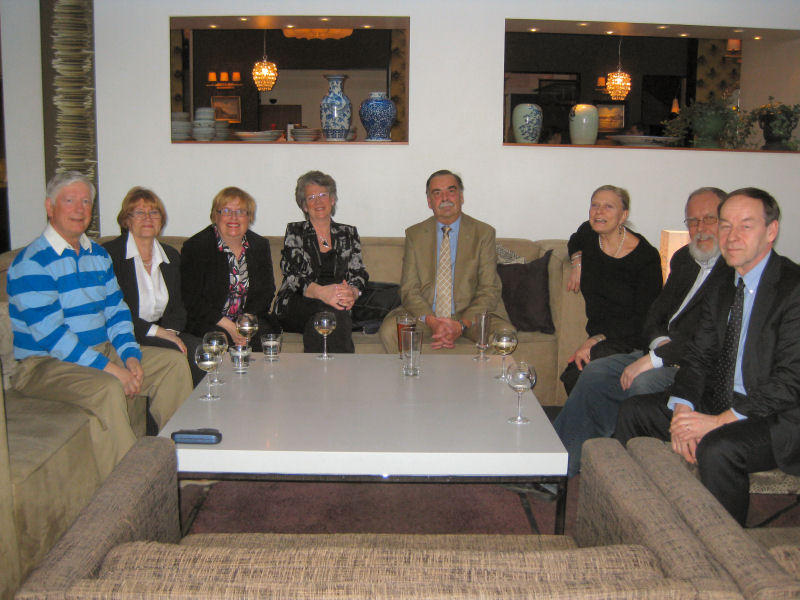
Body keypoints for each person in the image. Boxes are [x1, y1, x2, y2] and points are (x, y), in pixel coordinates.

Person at [615, 188, 800, 526]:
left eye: (746, 226)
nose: (732, 236)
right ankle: (638, 519)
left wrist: (717, 422)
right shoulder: (723, 283)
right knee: (635, 412)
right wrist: (683, 411)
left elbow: (789, 383)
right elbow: (699, 357)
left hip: (776, 418)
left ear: (771, 231)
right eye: (726, 225)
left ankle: (723, 545)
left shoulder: (793, 289)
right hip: (718, 400)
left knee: (717, 447)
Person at [7, 172, 192, 479]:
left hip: (103, 350)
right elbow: (53, 337)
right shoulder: (32, 262)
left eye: (85, 202)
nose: (79, 209)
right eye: (70, 201)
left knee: (172, 364)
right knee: (109, 387)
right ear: (50, 207)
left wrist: (131, 356)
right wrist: (113, 370)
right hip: (45, 364)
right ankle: (135, 485)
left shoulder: (97, 255)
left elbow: (117, 312)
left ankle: (183, 463)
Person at [554, 187, 731, 476]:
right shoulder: (684, 259)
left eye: (709, 219)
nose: (700, 228)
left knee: (640, 384)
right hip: (656, 350)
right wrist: (658, 344)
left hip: (692, 365)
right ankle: (556, 466)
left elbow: (708, 336)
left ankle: (620, 469)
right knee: (595, 372)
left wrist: (658, 357)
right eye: (692, 221)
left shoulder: (733, 271)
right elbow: (656, 313)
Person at [379, 169, 512, 352]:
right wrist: (433, 321)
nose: (445, 198)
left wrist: (461, 324)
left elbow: (489, 289)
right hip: (427, 315)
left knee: (504, 335)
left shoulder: (483, 233)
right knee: (390, 331)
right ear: (429, 202)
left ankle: (482, 372)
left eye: (451, 191)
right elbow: (409, 289)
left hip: (471, 316)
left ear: (461, 196)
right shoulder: (415, 235)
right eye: (437, 193)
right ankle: (409, 371)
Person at [561, 185, 662, 393]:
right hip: (600, 338)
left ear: (623, 215)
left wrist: (596, 339)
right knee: (575, 374)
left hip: (631, 338)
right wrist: (577, 262)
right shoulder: (589, 234)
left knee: (578, 373)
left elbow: (645, 317)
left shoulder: (646, 258)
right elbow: (575, 240)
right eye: (594, 205)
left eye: (608, 206)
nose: (599, 211)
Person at [103, 187, 204, 387]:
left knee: (202, 350)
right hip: (127, 333)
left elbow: (179, 305)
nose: (148, 218)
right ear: (127, 220)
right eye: (139, 212)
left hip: (165, 330)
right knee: (182, 353)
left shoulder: (170, 256)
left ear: (161, 220)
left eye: (154, 212)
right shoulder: (109, 255)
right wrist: (158, 333)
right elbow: (111, 309)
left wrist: (170, 332)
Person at [274, 171, 369, 353]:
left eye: (323, 195)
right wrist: (321, 292)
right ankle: (343, 369)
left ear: (332, 199)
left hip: (337, 300)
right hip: (299, 301)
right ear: (304, 206)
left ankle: (317, 370)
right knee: (334, 309)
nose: (318, 201)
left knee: (329, 314)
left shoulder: (348, 233)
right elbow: (293, 274)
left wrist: (352, 292)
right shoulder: (295, 231)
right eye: (311, 197)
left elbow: (358, 273)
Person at [180, 186, 279, 350]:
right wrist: (228, 325)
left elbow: (266, 291)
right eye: (226, 211)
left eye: (241, 212)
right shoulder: (196, 247)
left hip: (247, 320)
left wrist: (245, 322)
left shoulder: (259, 245)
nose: (234, 217)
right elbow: (191, 299)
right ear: (215, 215)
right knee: (220, 339)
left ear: (249, 217)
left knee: (265, 339)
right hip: (210, 321)